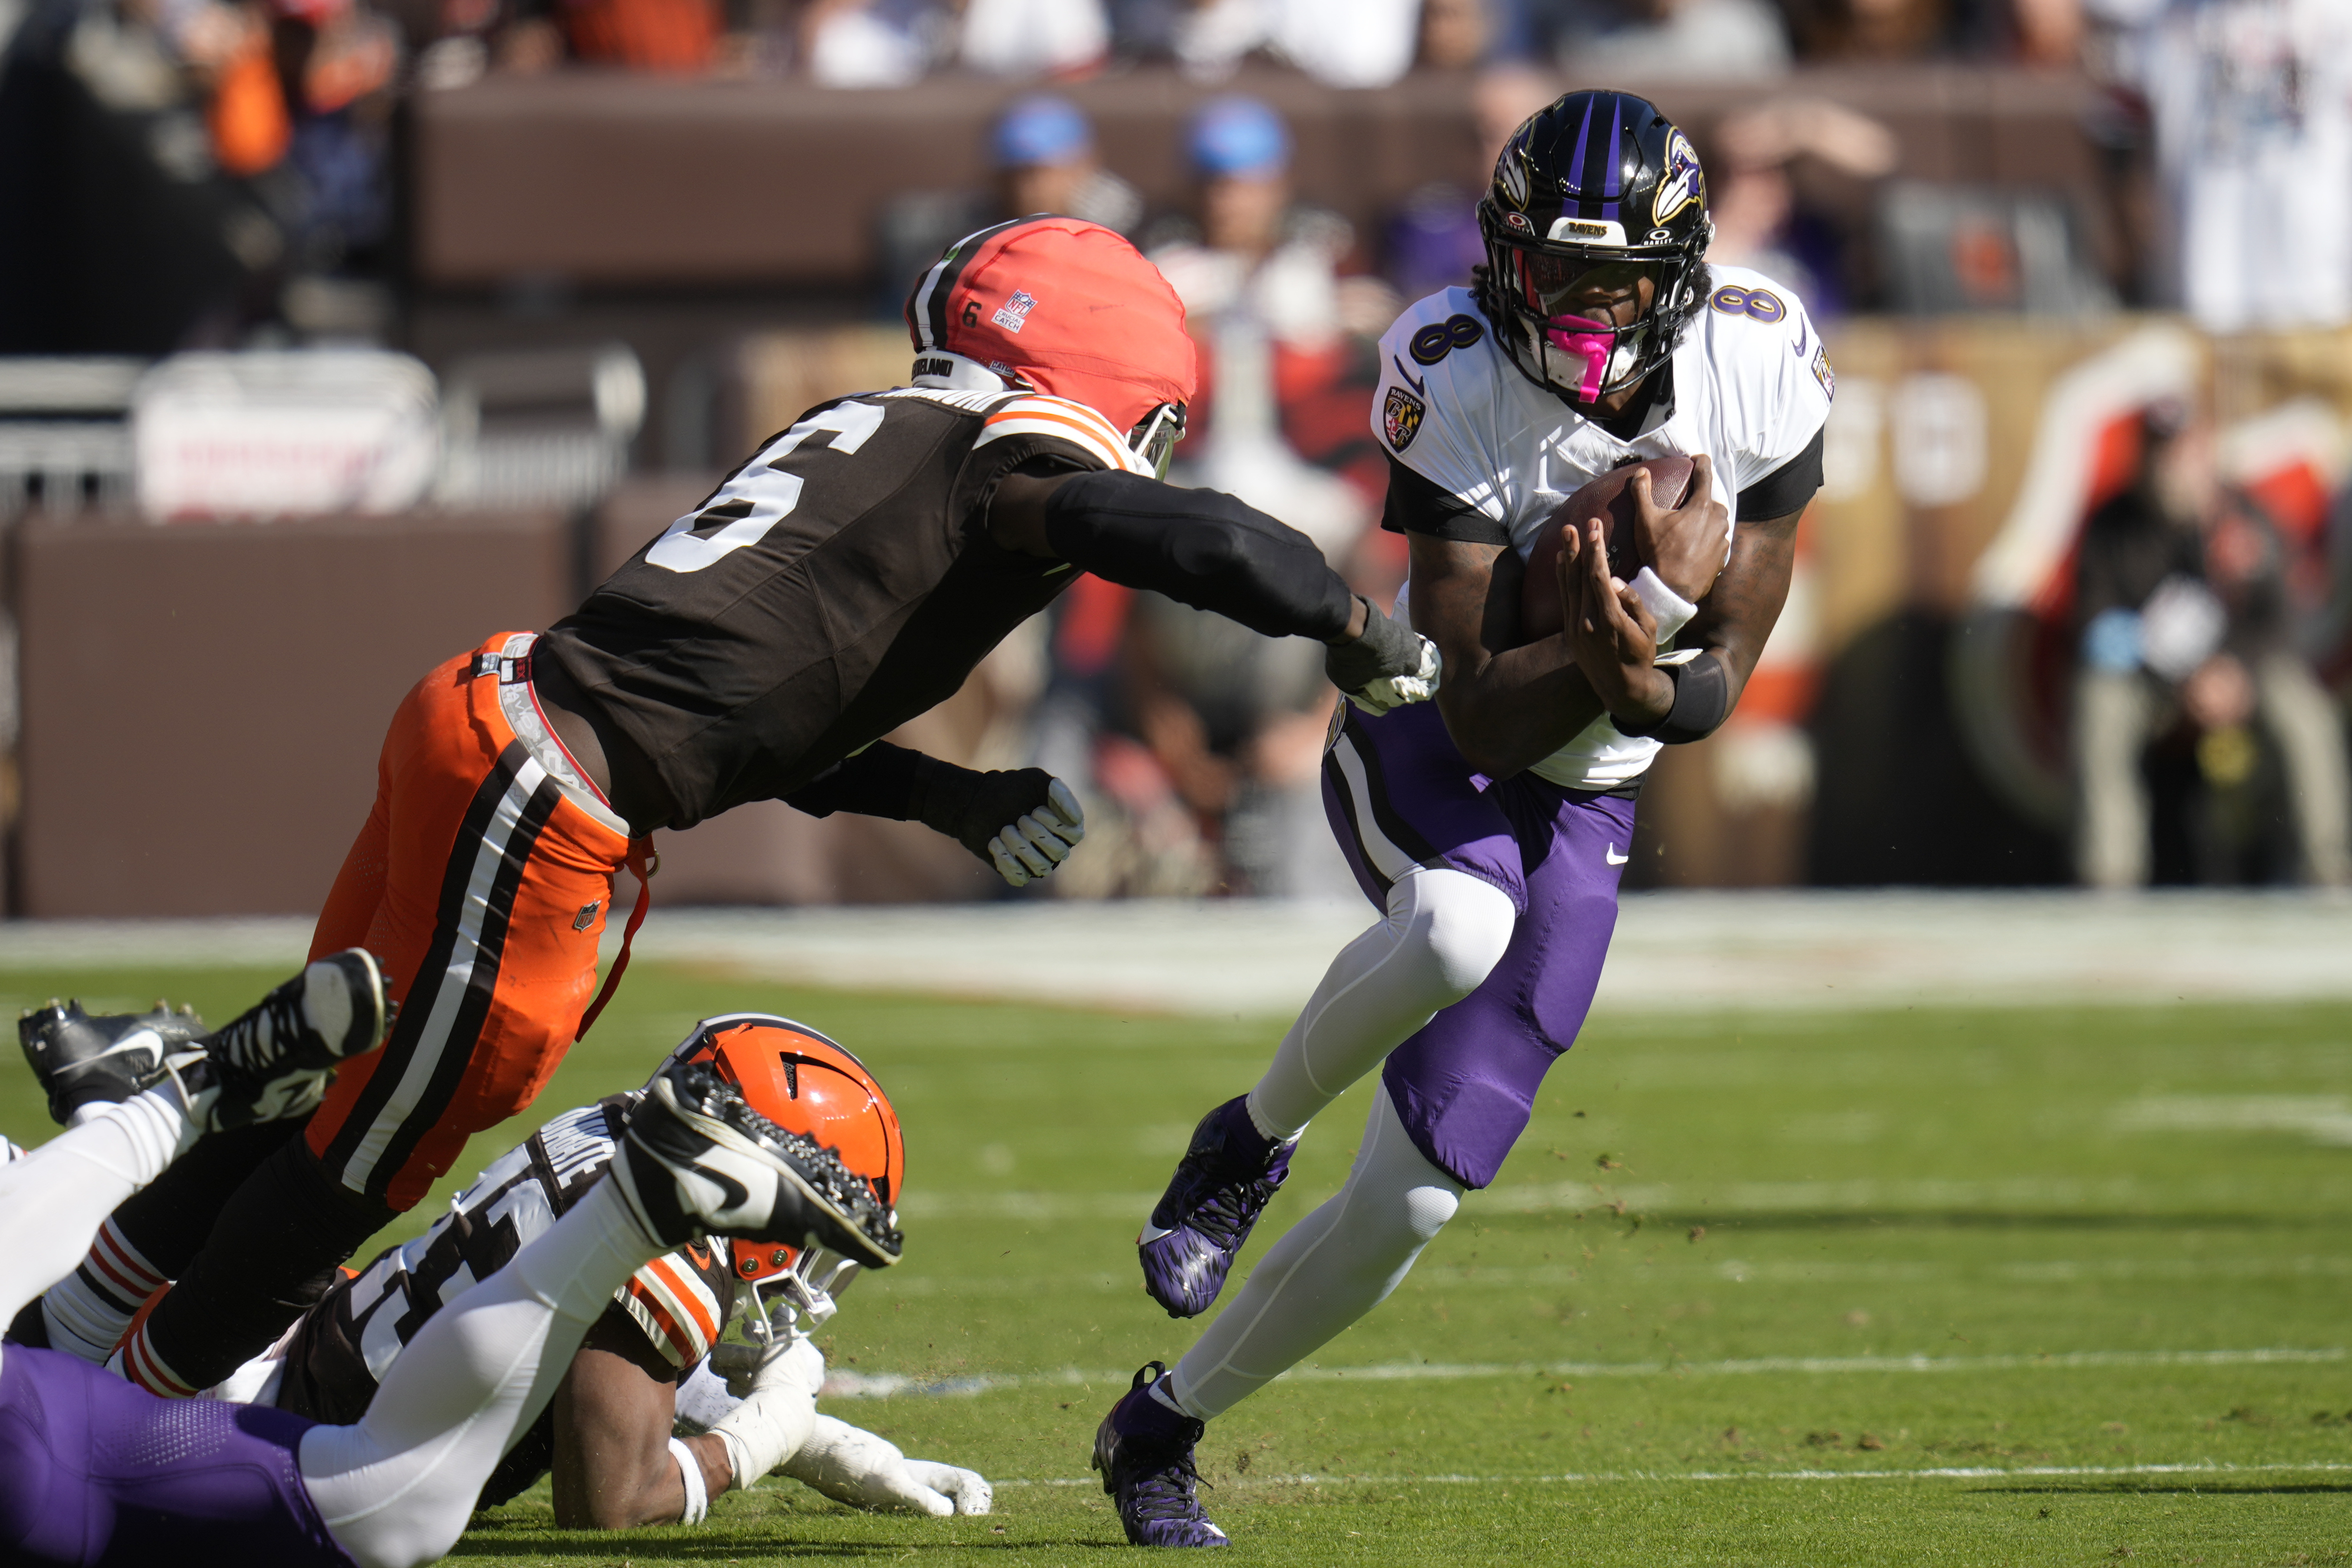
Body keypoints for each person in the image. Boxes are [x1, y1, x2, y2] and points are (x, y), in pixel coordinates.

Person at [41, 214, 1439, 1411]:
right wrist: (1354, 622)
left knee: (316, 1084)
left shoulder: (882, 434)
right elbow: (1185, 536)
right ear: (1112, 391)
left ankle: (67, 1339)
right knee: (362, 1161)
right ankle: (131, 1434)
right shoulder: (1006, 468)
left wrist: (948, 795)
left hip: (495, 712)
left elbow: (751, 723)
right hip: (550, 790)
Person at [1091, 90, 1831, 1547]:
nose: (1575, 307)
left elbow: (1726, 672)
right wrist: (1623, 650)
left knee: (1414, 1209)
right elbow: (1478, 697)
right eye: (1552, 271)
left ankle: (1161, 1426)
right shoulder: (1447, 362)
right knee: (1454, 920)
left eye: (1612, 280)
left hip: (1596, 794)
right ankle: (1245, 1142)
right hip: (1428, 733)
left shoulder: (1760, 357)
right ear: (1502, 257)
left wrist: (1658, 670)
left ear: (1676, 277)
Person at [0, 950, 907, 1568]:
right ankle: (148, 1107)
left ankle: (157, 1105)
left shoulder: (612, 1123)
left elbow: (582, 1356)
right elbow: (612, 1503)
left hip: (294, 1345)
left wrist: (808, 1438)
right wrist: (760, 1440)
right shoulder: (683, 1268)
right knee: (396, 1515)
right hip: (238, 1416)